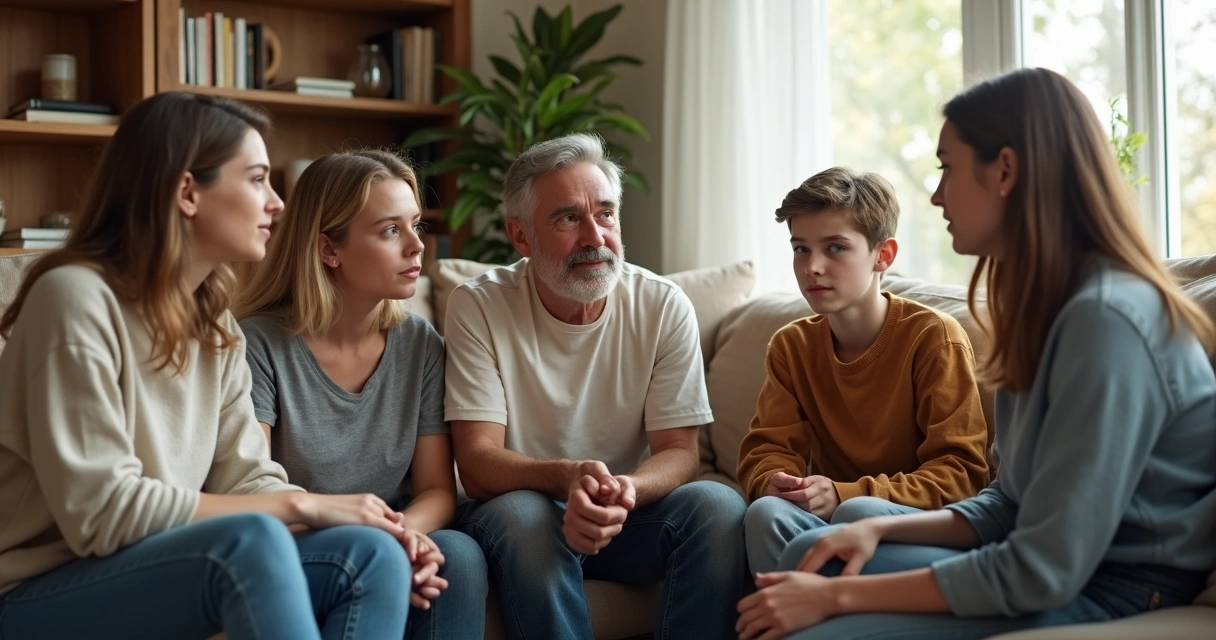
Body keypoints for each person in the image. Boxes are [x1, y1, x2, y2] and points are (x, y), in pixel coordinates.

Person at [736, 67, 1216, 640]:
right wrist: (879, 531)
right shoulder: (1043, 314)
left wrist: (837, 595)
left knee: (813, 601)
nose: (936, 194)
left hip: (1120, 583)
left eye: (947, 167)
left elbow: (1042, 568)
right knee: (813, 549)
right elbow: (1007, 504)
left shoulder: (1107, 320)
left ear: (1006, 171)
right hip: (1052, 566)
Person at [0, 92, 413, 639]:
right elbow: (101, 514)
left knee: (372, 553)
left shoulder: (213, 319)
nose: (277, 203)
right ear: (188, 192)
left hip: (161, 563)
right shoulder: (74, 298)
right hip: (38, 591)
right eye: (257, 179)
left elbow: (246, 476)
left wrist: (381, 525)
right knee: (251, 542)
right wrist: (305, 505)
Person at [443, 133, 747, 639]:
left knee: (719, 506)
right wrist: (568, 478)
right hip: (520, 517)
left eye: (605, 214)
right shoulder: (478, 307)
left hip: (622, 515)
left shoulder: (663, 305)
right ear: (521, 237)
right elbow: (476, 462)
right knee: (526, 516)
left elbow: (680, 451)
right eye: (568, 218)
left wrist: (626, 490)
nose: (595, 237)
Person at [236, 149, 487, 639]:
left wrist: (403, 538)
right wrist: (382, 543)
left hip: (391, 534)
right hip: (300, 542)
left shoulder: (422, 345)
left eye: (416, 224)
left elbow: (437, 489)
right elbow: (250, 489)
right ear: (330, 249)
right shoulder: (258, 345)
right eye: (390, 230)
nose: (417, 246)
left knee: (461, 554)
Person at [737, 166, 990, 575]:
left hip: (908, 525)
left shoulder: (933, 337)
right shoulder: (791, 345)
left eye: (835, 248)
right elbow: (766, 450)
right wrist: (775, 481)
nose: (812, 266)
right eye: (800, 248)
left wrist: (844, 494)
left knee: (859, 510)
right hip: (826, 517)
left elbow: (962, 474)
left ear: (882, 255)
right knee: (766, 513)